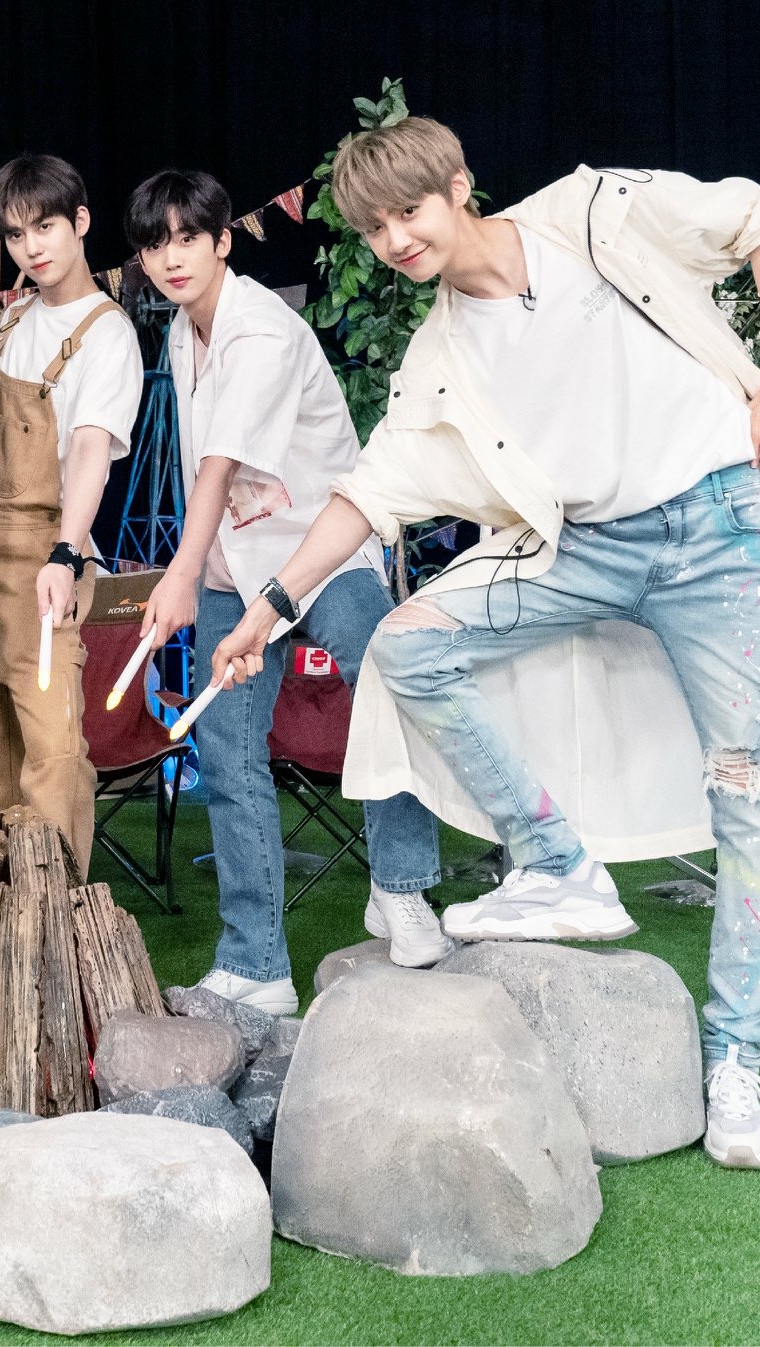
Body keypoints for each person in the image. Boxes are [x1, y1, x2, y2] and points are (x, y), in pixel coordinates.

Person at [209, 117, 760, 1166]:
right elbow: (370, 490)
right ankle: (560, 863)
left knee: (744, 791)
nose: (396, 240)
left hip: (725, 525)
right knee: (410, 641)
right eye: (374, 227)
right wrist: (267, 608)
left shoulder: (590, 213)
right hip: (591, 548)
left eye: (409, 211)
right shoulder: (438, 357)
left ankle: (734, 1063)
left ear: (459, 186)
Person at [126, 168, 449, 1018]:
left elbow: (219, 465)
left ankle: (402, 886)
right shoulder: (181, 332)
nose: (171, 257)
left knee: (388, 686)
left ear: (222, 241)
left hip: (322, 554)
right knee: (227, 754)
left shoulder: (262, 328)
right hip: (235, 571)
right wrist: (201, 571)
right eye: (155, 244)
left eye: (187, 238)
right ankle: (256, 962)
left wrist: (177, 573)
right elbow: (209, 474)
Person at [0, 154, 143, 878]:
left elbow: (90, 451)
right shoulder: (11, 319)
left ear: (80, 222)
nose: (32, 247)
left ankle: (52, 913)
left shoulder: (107, 333)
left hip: (44, 561)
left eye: (46, 227)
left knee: (53, 752)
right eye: (16, 234)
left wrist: (65, 552)